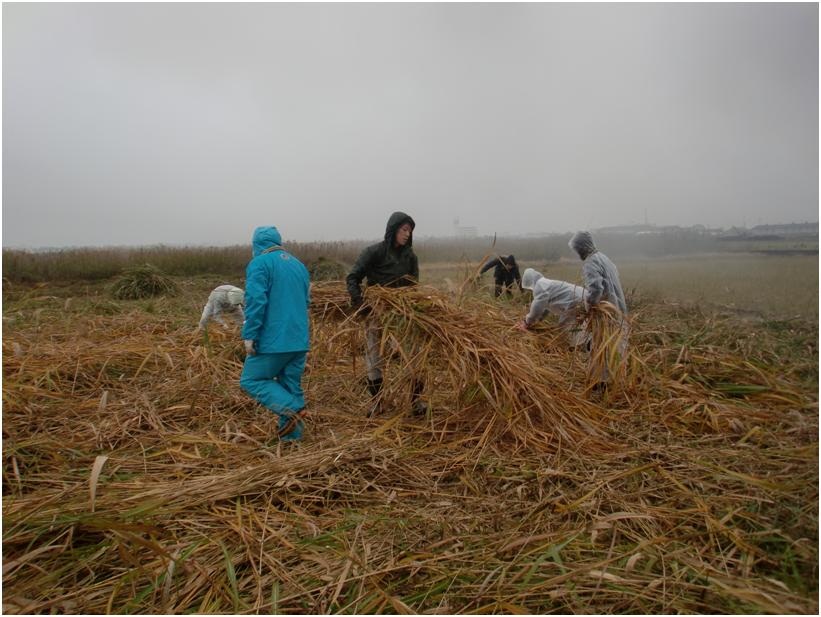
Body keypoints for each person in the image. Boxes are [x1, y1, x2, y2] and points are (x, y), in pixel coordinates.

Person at [346, 211, 426, 417]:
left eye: (410, 231)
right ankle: (377, 402)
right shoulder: (374, 252)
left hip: (402, 314)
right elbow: (352, 278)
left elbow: (413, 287)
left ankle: (416, 402)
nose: (407, 234)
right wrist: (360, 303)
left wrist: (411, 308)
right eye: (404, 229)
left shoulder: (410, 257)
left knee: (414, 356)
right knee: (374, 356)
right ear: (393, 229)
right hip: (376, 312)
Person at [239, 226, 311, 441]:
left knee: (251, 380)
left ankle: (292, 409)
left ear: (257, 244)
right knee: (290, 384)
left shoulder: (260, 263)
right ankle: (291, 439)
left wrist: (249, 334)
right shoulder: (299, 266)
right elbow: (306, 301)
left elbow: (255, 301)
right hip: (299, 339)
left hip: (274, 340)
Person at [568, 231, 628, 388]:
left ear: (581, 248)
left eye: (576, 249)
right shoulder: (604, 258)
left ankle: (603, 383)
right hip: (617, 309)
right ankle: (612, 379)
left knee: (602, 347)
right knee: (612, 345)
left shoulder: (590, 263)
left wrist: (589, 307)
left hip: (605, 312)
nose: (577, 253)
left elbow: (595, 289)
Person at [517, 268, 589, 349]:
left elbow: (537, 307)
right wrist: (538, 320)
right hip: (581, 297)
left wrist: (527, 322)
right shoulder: (546, 284)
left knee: (564, 327)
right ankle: (583, 344)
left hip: (575, 301)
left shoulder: (540, 285)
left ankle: (578, 346)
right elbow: (545, 309)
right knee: (574, 325)